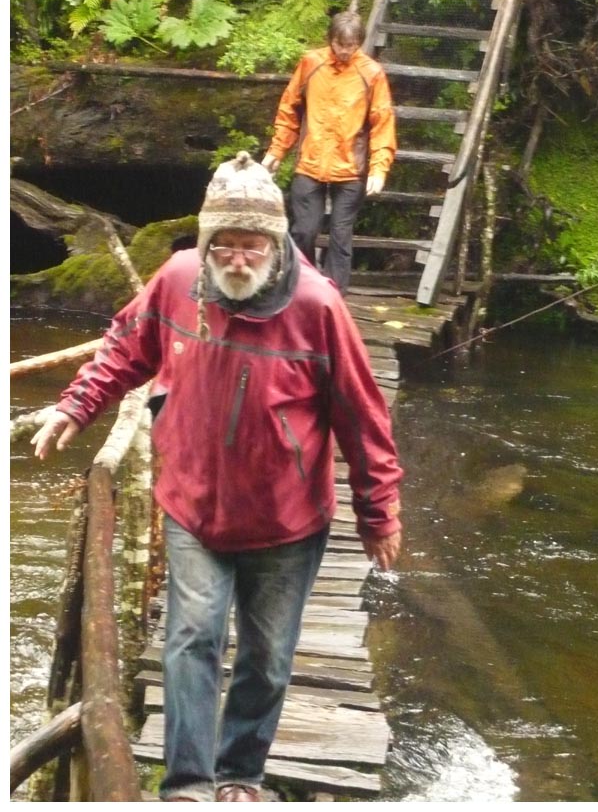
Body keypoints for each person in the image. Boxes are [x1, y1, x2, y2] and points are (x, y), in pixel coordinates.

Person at [31, 151, 403, 803]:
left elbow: (363, 418)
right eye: (222, 244)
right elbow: (125, 346)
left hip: (287, 521)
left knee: (265, 658)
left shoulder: (317, 307)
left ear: (276, 243)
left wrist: (378, 515)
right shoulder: (177, 279)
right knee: (193, 636)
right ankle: (189, 784)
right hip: (192, 505)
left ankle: (239, 774)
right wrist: (74, 406)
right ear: (205, 243)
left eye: (250, 244)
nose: (235, 258)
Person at [261, 11, 397, 295]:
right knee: (303, 231)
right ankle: (301, 288)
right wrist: (277, 150)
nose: (345, 51)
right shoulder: (311, 62)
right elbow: (290, 108)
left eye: (352, 45)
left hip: (350, 168)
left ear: (359, 42)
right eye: (340, 44)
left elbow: (382, 121)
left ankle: (333, 296)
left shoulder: (371, 73)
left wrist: (379, 168)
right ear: (330, 40)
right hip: (310, 163)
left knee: (340, 234)